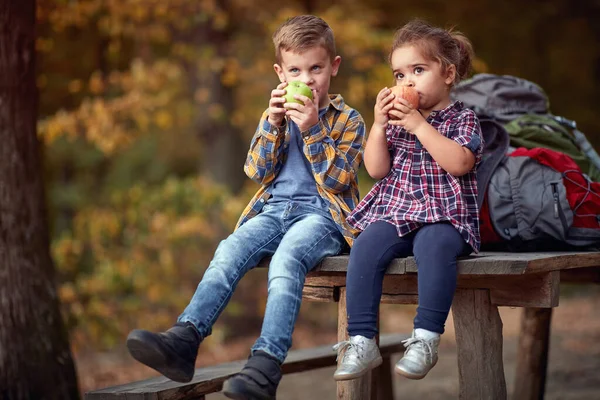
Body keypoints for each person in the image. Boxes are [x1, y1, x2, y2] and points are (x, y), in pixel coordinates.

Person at [126, 15, 366, 400]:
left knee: (287, 260)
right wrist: (272, 122)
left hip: (323, 215)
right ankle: (185, 338)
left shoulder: (349, 120)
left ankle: (265, 365)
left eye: (316, 68)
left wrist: (312, 128)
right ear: (280, 73)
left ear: (333, 67)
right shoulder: (275, 114)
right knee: (229, 248)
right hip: (275, 210)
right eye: (295, 70)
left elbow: (339, 181)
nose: (306, 79)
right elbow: (256, 170)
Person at [332, 19, 483, 382]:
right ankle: (362, 340)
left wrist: (418, 125)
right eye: (399, 75)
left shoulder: (463, 118)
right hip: (399, 210)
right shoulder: (397, 121)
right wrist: (380, 125)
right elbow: (376, 169)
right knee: (365, 244)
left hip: (446, 217)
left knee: (434, 244)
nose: (407, 82)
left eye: (418, 70)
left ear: (447, 74)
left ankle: (426, 338)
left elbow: (460, 163)